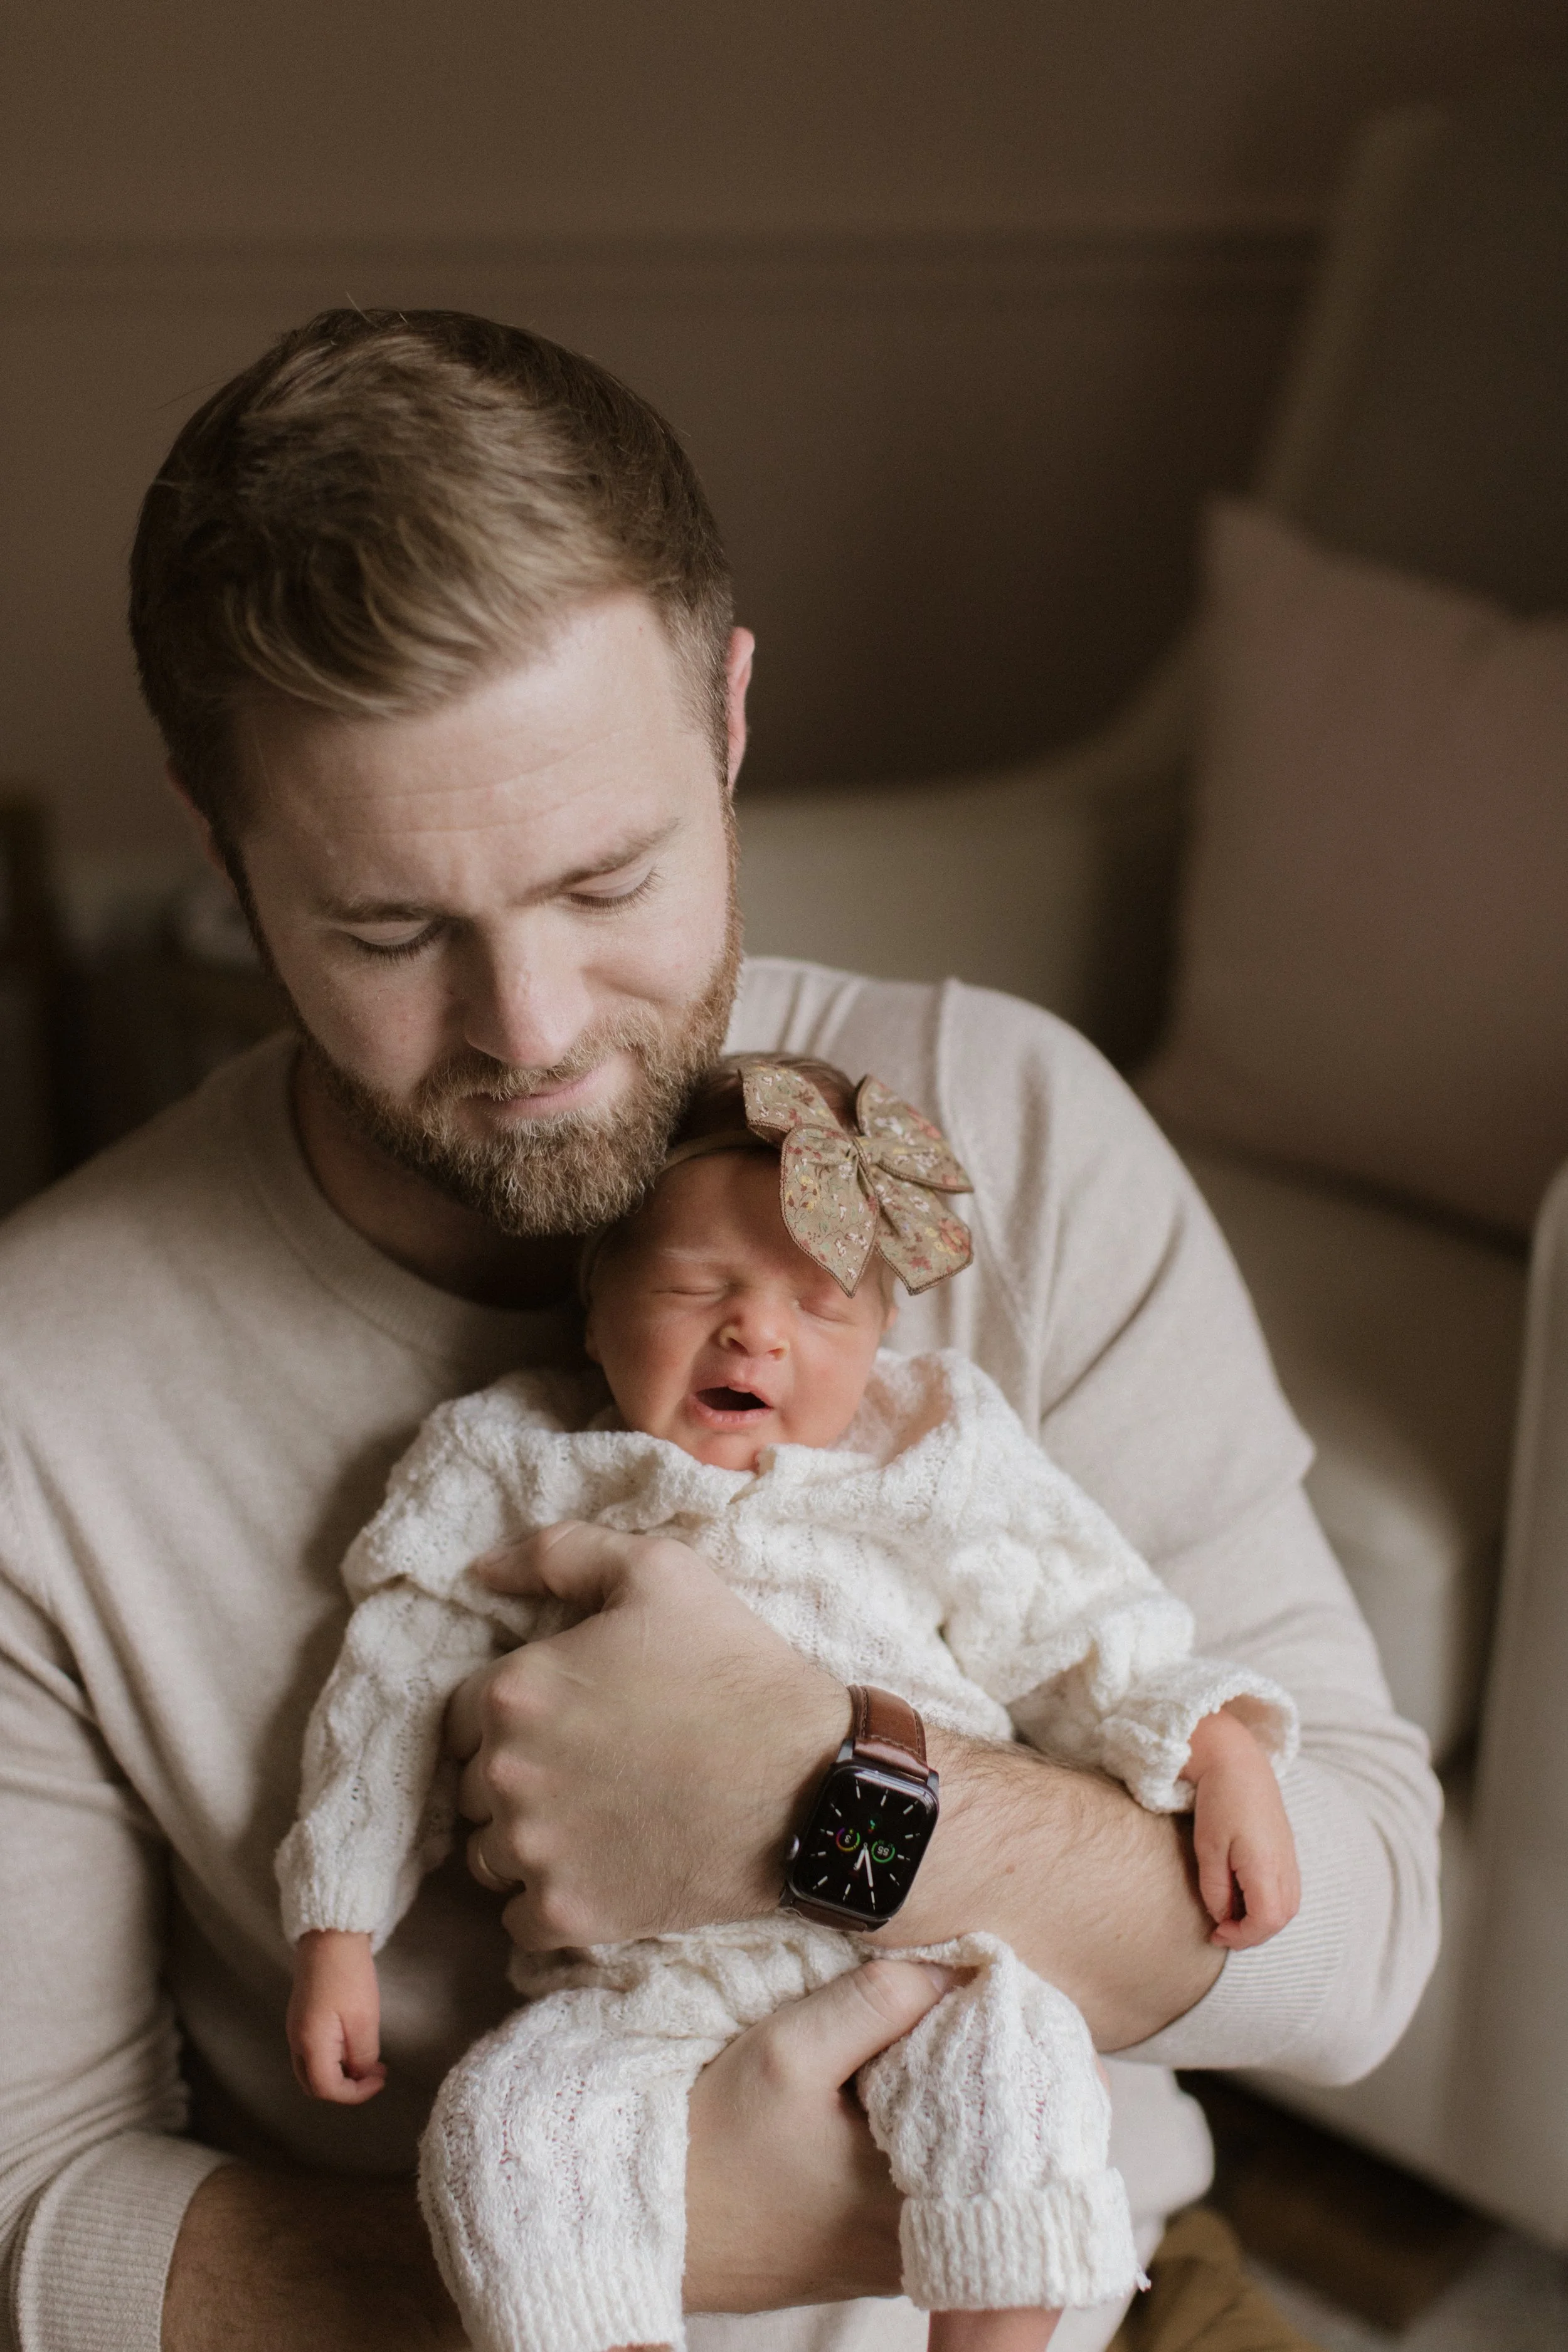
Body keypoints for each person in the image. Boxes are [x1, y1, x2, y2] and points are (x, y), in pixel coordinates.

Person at [0, 307, 1440, 2352]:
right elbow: (30, 2225)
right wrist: (659, 2241)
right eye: (392, 929)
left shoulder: (1004, 1126)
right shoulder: (41, 1391)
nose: (537, 1033)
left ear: (732, 715)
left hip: (1091, 2289)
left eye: (611, 876)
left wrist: (835, 1808)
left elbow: (1361, 1944)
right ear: (222, 847)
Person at [278, 1054, 1302, 2352]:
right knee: (510, 2127)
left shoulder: (929, 1454)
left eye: (820, 1310)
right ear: (590, 1311)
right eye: (695, 1289)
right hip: (636, 1987)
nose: (755, 1334)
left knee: (1018, 2067)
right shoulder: (523, 1465)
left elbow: (1079, 1619)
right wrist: (338, 1920)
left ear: (880, 1343)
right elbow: (392, 1682)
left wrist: (1213, 1745)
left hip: (924, 1944)